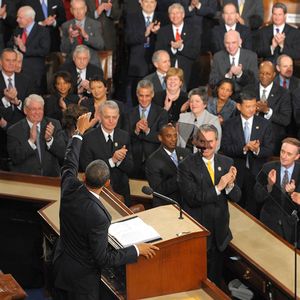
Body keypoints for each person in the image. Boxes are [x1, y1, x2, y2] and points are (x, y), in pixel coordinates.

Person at [53, 112, 158, 300]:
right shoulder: (98, 216)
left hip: (62, 267)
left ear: (84, 177)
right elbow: (103, 258)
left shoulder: (69, 187)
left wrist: (79, 132)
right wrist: (135, 250)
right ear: (107, 183)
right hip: (82, 283)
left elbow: (70, 161)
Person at [178, 124, 241, 286]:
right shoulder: (186, 165)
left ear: (217, 142)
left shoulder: (227, 162)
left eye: (210, 141)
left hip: (220, 232)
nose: (206, 146)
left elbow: (237, 197)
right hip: (199, 231)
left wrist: (230, 186)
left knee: (216, 277)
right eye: (202, 141)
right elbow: (193, 198)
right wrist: (219, 187)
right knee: (197, 279)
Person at [221, 90, 274, 217]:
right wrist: (244, 148)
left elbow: (270, 149)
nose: (252, 109)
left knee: (253, 208)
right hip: (237, 172)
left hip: (256, 172)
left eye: (254, 106)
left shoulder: (264, 124)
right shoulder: (229, 124)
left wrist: (256, 150)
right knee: (235, 207)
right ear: (239, 106)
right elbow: (225, 148)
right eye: (248, 106)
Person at [79, 101, 133, 206]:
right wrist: (112, 161)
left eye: (114, 117)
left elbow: (131, 168)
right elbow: (87, 168)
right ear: (100, 116)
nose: (111, 121)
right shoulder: (89, 138)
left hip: (122, 192)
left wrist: (119, 161)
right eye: (107, 117)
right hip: (97, 195)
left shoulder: (124, 136)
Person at [254, 137, 300, 246]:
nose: (284, 156)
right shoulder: (267, 167)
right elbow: (257, 196)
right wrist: (269, 185)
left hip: (292, 229)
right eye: (282, 152)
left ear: (297, 156)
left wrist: (295, 195)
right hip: (269, 223)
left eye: (289, 154)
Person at [7, 94, 66, 176]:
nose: (37, 112)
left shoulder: (54, 125)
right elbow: (15, 158)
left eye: (40, 109)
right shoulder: (14, 130)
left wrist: (49, 140)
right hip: (26, 181)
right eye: (33, 109)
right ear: (25, 110)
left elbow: (63, 153)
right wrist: (31, 141)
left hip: (51, 179)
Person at [124, 79, 168, 178]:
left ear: (152, 95)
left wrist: (147, 131)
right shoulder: (129, 114)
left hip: (154, 161)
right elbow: (124, 138)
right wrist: (135, 131)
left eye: (147, 95)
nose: (144, 99)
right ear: (136, 94)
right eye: (141, 95)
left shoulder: (161, 113)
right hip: (133, 162)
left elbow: (163, 138)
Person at [155, 3, 201, 89]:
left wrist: (181, 47)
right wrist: (172, 49)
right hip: (167, 73)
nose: (175, 16)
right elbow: (158, 52)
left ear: (183, 15)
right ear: (169, 16)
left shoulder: (194, 30)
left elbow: (195, 53)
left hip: (188, 73)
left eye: (177, 13)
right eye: (172, 13)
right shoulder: (163, 31)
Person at [145, 123, 190, 207]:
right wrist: (180, 175)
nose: (173, 139)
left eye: (175, 135)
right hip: (167, 206)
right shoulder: (153, 161)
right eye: (169, 136)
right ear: (160, 138)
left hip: (187, 203)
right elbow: (158, 190)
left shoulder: (186, 153)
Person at [8, 5, 51, 94]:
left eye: (20, 18)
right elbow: (9, 44)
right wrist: (16, 45)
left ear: (29, 19)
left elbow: (44, 50)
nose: (17, 20)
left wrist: (25, 49)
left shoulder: (42, 31)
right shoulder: (17, 30)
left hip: (34, 73)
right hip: (17, 71)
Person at [126, 0, 161, 106]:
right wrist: (145, 33)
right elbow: (128, 39)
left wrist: (158, 33)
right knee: (137, 96)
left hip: (156, 63)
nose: (149, 5)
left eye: (152, 2)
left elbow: (167, 38)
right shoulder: (132, 17)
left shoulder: (163, 17)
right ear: (140, 2)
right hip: (138, 62)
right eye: (146, 1)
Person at [255, 60, 292, 155]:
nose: (264, 76)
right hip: (251, 137)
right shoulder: (249, 89)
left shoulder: (283, 93)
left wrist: (267, 111)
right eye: (262, 73)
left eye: (268, 74)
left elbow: (286, 120)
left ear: (274, 74)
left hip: (273, 140)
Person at [209, 30, 258, 101]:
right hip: (224, 98)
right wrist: (227, 76)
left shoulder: (251, 56)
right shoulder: (218, 57)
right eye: (227, 43)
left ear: (240, 42)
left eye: (234, 42)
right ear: (224, 43)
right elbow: (212, 82)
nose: (230, 46)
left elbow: (254, 82)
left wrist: (240, 74)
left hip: (243, 98)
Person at [60, 0, 104, 68]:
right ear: (71, 10)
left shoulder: (95, 24)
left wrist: (86, 36)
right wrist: (70, 38)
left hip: (91, 63)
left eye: (81, 8)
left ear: (85, 9)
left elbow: (100, 45)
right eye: (75, 9)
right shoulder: (66, 26)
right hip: (72, 64)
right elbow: (64, 50)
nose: (78, 12)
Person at [177, 87, 221, 152]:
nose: (193, 104)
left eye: (197, 101)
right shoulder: (183, 117)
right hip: (183, 156)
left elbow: (215, 146)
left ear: (204, 104)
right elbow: (178, 142)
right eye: (191, 101)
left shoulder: (213, 120)